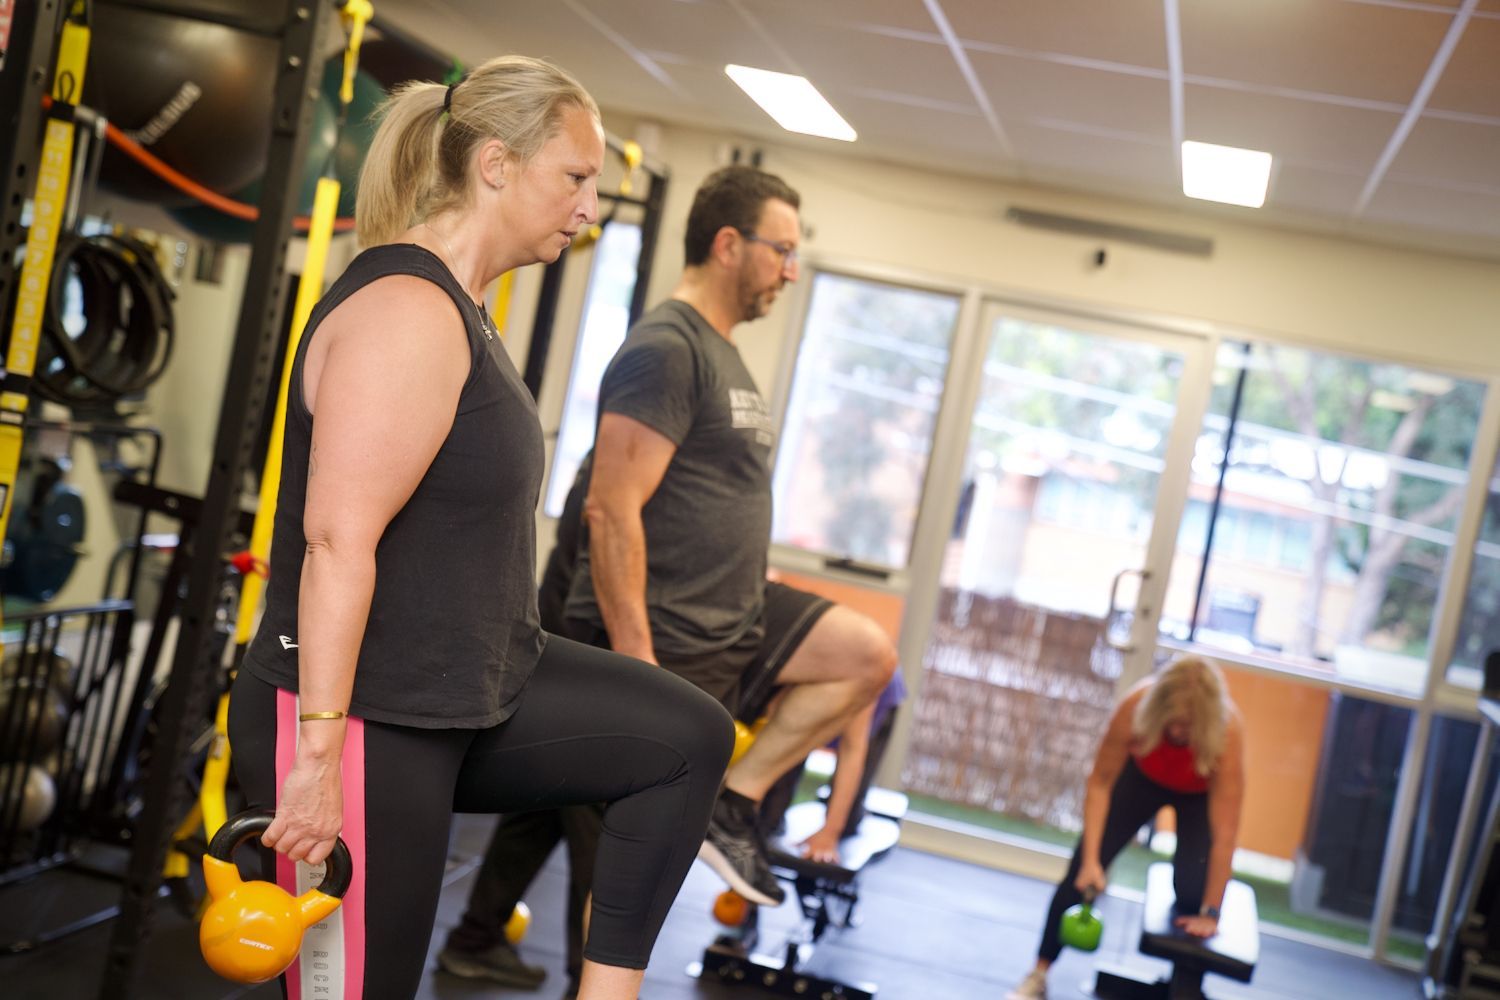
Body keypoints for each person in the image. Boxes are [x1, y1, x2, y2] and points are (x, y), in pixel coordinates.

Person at [229, 56, 733, 1000]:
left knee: (684, 736)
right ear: (495, 165)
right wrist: (319, 763)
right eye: (575, 178)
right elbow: (337, 542)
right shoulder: (407, 311)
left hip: (464, 692)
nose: (589, 208)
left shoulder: (465, 313)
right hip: (361, 719)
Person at [436, 165, 898, 995]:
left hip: (732, 617)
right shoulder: (666, 347)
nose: (790, 272)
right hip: (662, 636)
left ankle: (736, 801)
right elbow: (612, 510)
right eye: (781, 252)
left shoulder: (722, 354)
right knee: (621, 871)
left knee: (863, 655)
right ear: (729, 246)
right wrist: (639, 657)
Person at [1006, 656, 1246, 1000]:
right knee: (1078, 876)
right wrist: (1092, 861)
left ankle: (1182, 987)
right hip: (1141, 779)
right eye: (1173, 724)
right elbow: (1100, 784)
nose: (1178, 733)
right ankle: (1038, 974)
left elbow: (1226, 834)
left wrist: (1211, 912)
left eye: (1187, 726)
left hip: (1198, 793)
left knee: (1193, 892)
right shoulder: (1136, 706)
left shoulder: (1228, 732)